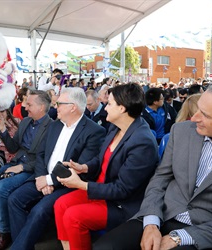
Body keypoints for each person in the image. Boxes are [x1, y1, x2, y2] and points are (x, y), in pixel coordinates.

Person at [93, 84, 212, 250]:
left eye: (205, 115)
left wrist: (180, 237)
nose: (193, 118)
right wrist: (151, 221)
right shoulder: (182, 131)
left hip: (203, 229)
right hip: (161, 213)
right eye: (198, 109)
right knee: (105, 247)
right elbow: (160, 178)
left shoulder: (141, 137)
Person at [54, 83, 159, 250]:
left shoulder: (142, 142)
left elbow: (122, 190)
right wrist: (84, 167)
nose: (105, 107)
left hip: (120, 203)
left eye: (109, 104)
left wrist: (81, 185)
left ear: (122, 109)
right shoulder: (116, 127)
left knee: (73, 216)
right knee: (61, 205)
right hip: (102, 190)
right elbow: (101, 158)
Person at [8, 87, 106, 250]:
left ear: (72, 107)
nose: (55, 107)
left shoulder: (94, 131)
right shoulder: (55, 126)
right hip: (43, 177)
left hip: (69, 185)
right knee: (14, 199)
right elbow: (41, 155)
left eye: (59, 103)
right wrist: (43, 178)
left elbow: (77, 169)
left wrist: (49, 180)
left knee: (39, 210)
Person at [0, 90, 52, 250]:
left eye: (29, 104)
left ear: (42, 107)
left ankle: (5, 232)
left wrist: (22, 167)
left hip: (31, 169)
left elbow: (45, 159)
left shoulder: (52, 127)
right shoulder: (25, 122)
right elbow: (13, 147)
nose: (25, 107)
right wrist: (3, 130)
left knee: (1, 188)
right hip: (16, 163)